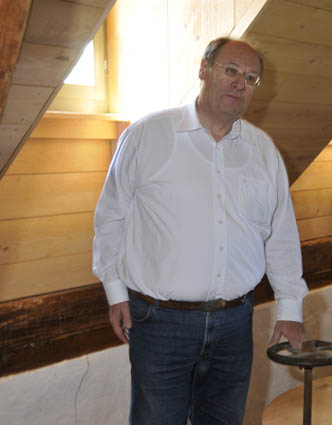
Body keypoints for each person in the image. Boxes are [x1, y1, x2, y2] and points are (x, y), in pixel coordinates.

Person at [92, 37, 308, 425]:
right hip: (159, 323)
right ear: (204, 70)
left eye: (251, 78)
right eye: (231, 70)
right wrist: (114, 291)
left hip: (235, 324)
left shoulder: (263, 151)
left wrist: (290, 308)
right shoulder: (147, 135)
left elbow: (281, 234)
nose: (240, 83)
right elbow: (111, 218)